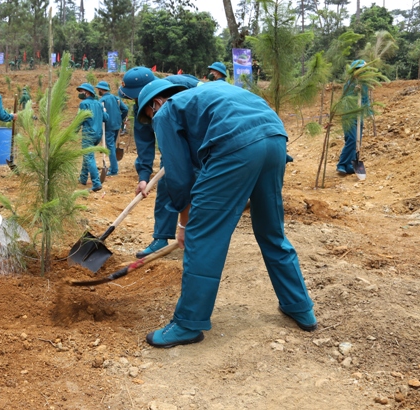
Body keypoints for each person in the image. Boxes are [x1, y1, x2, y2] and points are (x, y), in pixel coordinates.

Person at [136, 79, 317, 348]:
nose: (154, 121)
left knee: (204, 237)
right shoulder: (208, 94)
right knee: (271, 231)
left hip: (235, 145)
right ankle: (299, 306)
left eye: (149, 117)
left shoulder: (166, 111)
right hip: (275, 138)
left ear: (156, 103)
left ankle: (188, 323)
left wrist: (186, 226)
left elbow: (179, 177)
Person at [119, 67, 200, 258]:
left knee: (199, 182)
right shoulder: (142, 106)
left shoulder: (183, 84)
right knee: (166, 183)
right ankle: (161, 238)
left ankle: (196, 234)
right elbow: (144, 143)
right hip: (172, 143)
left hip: (198, 139)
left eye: (136, 96)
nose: (135, 101)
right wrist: (143, 177)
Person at [336, 60, 370, 176]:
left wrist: (368, 111)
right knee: (351, 139)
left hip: (359, 117)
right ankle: (341, 164)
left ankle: (350, 165)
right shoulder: (349, 84)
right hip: (348, 116)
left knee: (357, 141)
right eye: (358, 69)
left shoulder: (364, 85)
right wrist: (354, 91)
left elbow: (365, 100)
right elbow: (345, 100)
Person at [77, 82, 106, 192]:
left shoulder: (84, 104)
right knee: (87, 155)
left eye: (81, 91)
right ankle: (83, 178)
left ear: (87, 92)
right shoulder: (99, 104)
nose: (80, 94)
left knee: (89, 157)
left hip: (88, 134)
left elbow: (79, 119)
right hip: (98, 135)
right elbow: (106, 118)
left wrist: (73, 132)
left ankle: (96, 183)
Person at [97, 80, 127, 176]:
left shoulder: (101, 101)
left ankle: (114, 170)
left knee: (110, 147)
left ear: (101, 90)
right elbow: (125, 109)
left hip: (108, 126)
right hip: (117, 125)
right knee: (112, 146)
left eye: (98, 89)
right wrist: (120, 119)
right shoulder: (116, 98)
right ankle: (113, 166)